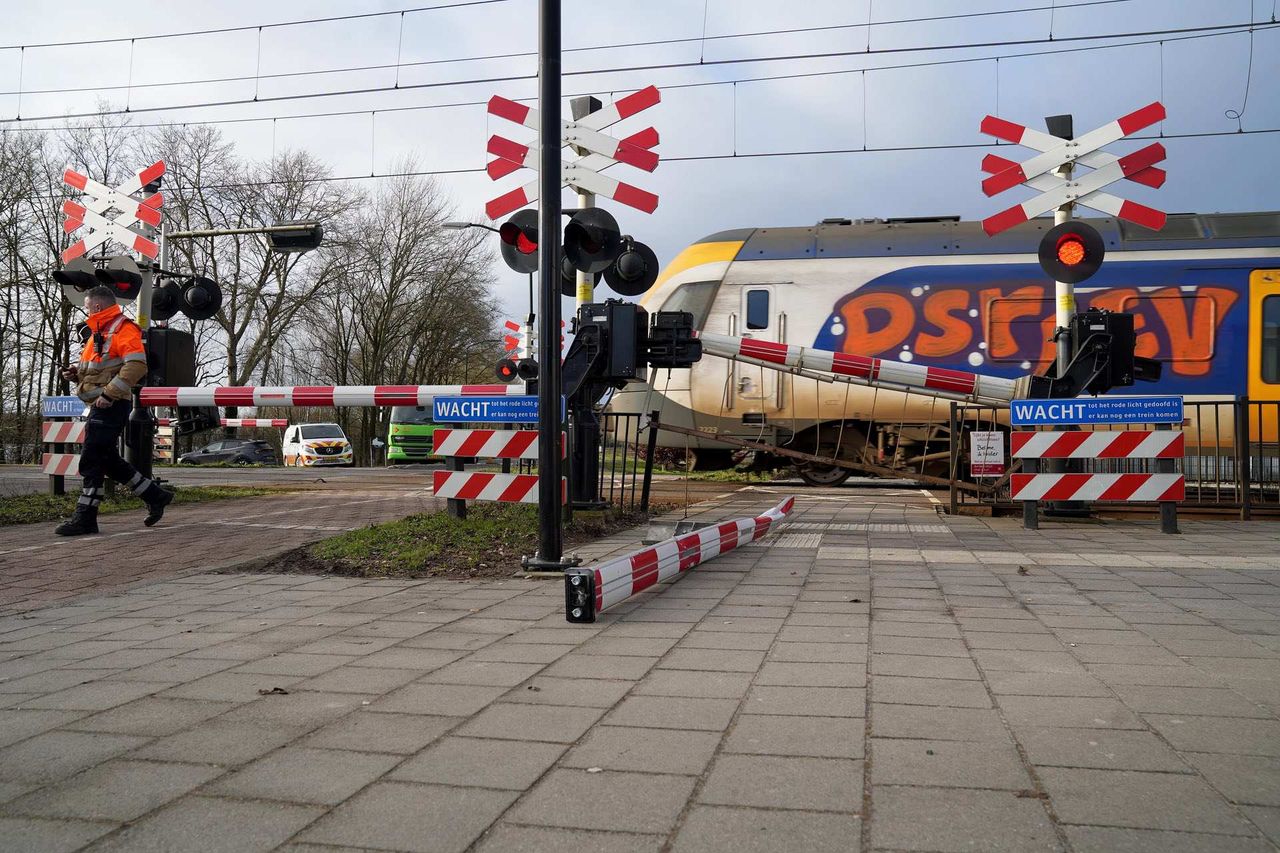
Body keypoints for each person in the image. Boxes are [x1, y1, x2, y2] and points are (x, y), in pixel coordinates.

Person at [55, 285, 173, 536]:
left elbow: (137, 366)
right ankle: (155, 495)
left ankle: (86, 517)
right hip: (101, 405)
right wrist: (76, 374)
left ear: (97, 306)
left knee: (91, 458)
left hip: (111, 405)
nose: (86, 310)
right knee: (107, 460)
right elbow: (99, 371)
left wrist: (109, 394)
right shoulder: (99, 332)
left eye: (87, 306)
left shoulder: (123, 329)